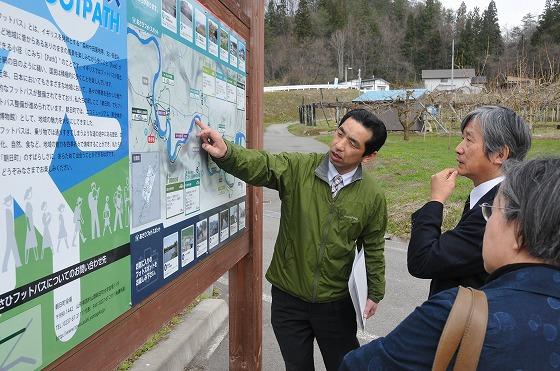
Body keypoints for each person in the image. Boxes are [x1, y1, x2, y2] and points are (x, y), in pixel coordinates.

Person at [196, 109, 388, 371]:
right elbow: (261, 165)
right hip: (288, 301)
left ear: (369, 155)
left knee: (345, 366)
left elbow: (374, 246)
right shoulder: (299, 168)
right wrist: (227, 153)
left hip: (335, 303)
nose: (339, 145)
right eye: (340, 133)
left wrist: (375, 291)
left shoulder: (373, 196)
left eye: (353, 143)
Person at [341, 157, 560, 370]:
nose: (458, 149)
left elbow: (357, 365)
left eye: (491, 212)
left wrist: (435, 201)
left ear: (519, 233)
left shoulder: (457, 315)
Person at [407, 106, 531, 297]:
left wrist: (436, 200)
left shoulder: (496, 210)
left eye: (469, 139)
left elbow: (423, 261)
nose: (458, 148)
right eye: (462, 138)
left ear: (500, 154)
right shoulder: (496, 195)